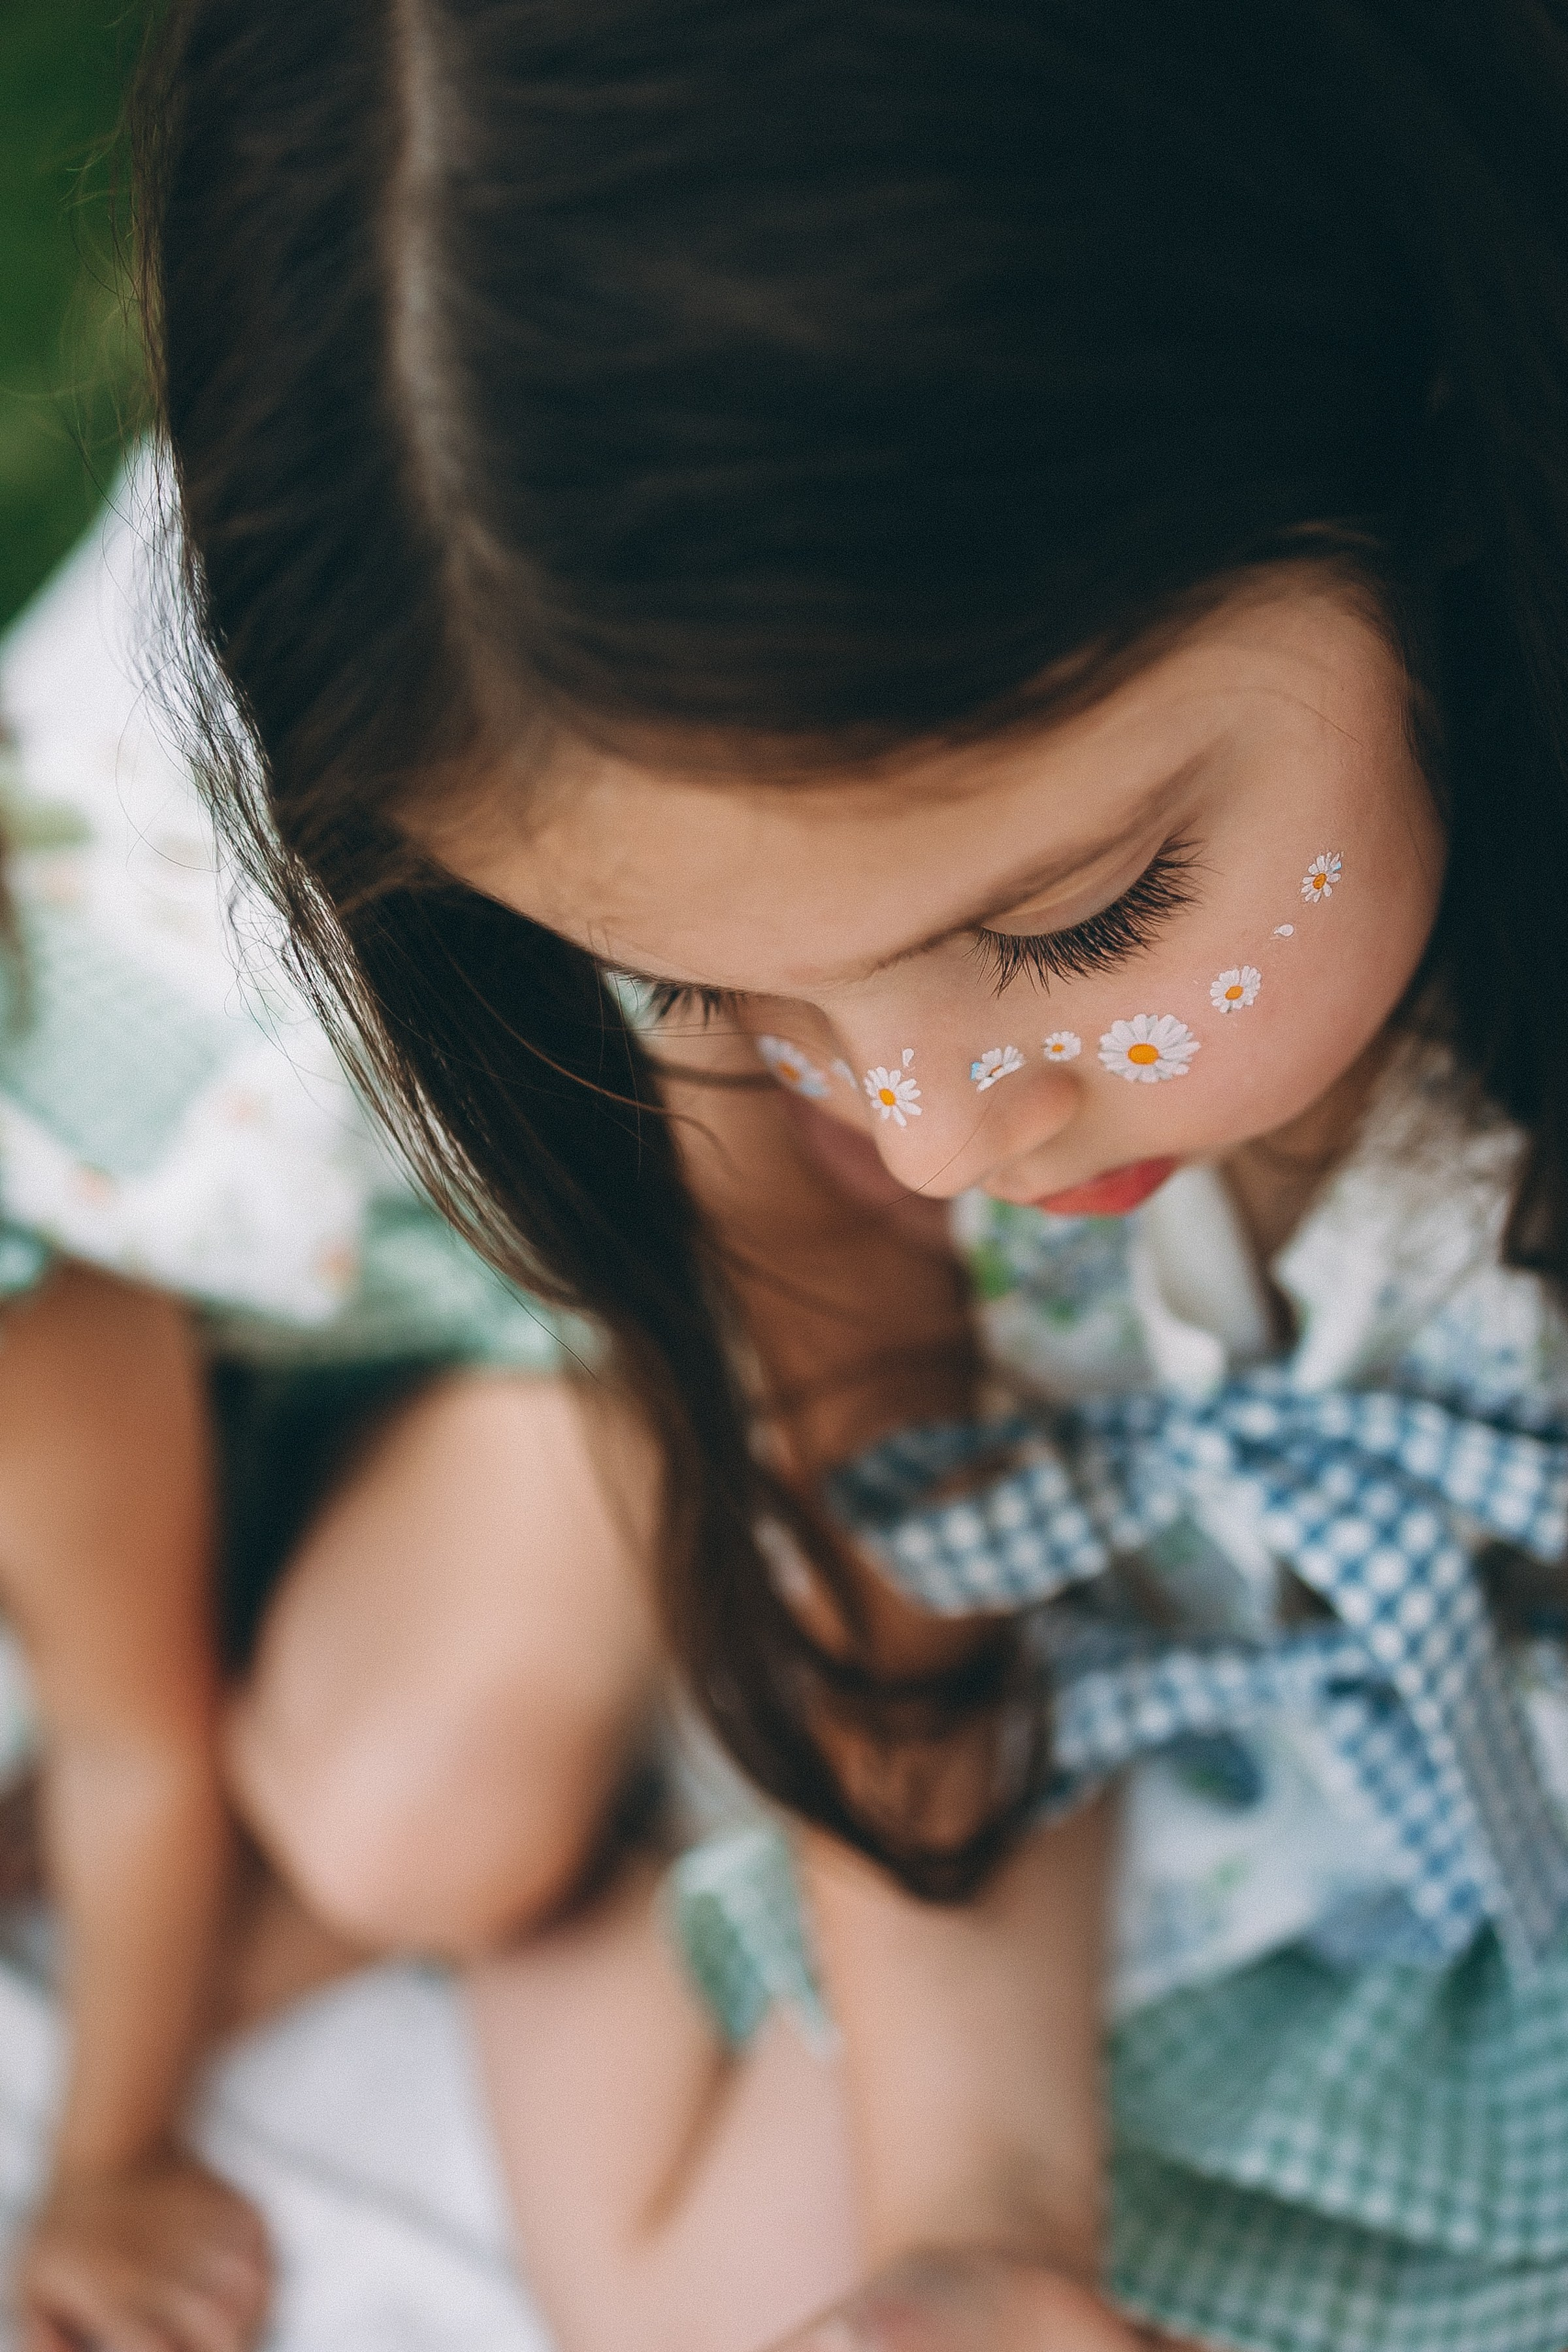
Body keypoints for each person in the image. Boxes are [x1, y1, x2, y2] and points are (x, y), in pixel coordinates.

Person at [135, 2, 1568, 2347]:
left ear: (1443, 443)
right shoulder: (825, 1108)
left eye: (1087, 919)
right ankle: (608, 1817)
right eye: (707, 994)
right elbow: (896, 1517)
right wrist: (979, 2231)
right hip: (1142, 1721)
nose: (927, 1137)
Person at [0, 501, 661, 2352]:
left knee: (409, 1817)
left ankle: (700, 1504)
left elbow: (142, 1748)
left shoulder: (24, 1313)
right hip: (227, 1389)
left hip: (493, 1252)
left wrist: (104, 2155)